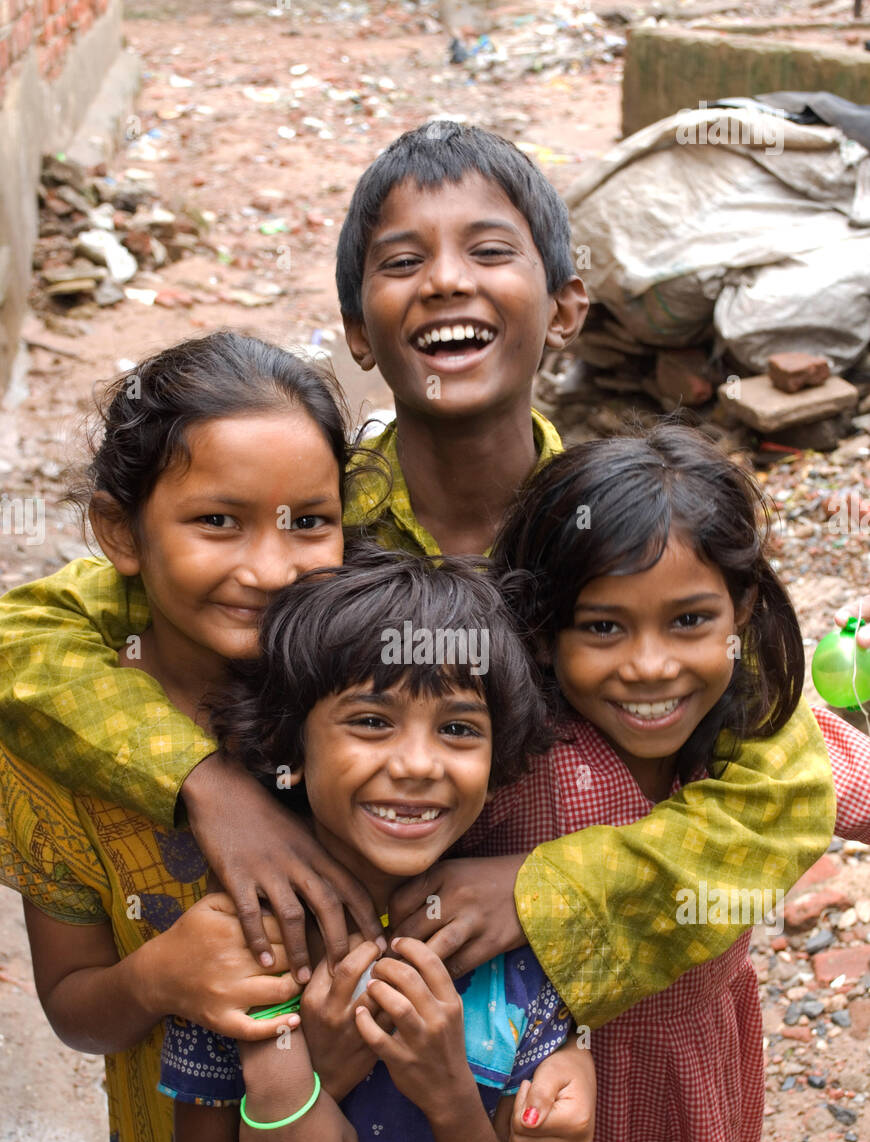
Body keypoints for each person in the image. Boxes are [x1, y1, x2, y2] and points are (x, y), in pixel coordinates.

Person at [0, 124, 835, 1035]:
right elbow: (26, 637)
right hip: (340, 1017)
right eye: (403, 260)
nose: (445, 279)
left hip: (617, 1038)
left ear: (566, 306)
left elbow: (785, 799)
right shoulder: (312, 525)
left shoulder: (628, 535)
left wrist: (544, 888)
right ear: (360, 333)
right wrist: (205, 782)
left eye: (488, 250)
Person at [456, 424, 869, 1142]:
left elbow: (849, 783)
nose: (650, 667)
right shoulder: (514, 764)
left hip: (693, 1078)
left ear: (744, 612)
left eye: (690, 621)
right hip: (531, 1099)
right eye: (602, 626)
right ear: (540, 628)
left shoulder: (756, 729)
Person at [0, 333, 371, 1142]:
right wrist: (161, 976)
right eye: (218, 521)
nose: (270, 567)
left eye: (308, 523)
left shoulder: (378, 707)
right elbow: (76, 1008)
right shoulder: (58, 746)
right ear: (122, 535)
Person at [162, 547, 577, 1142]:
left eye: (458, 729)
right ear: (291, 742)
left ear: (500, 754)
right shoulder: (238, 959)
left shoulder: (515, 958)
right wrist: (303, 1088)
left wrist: (449, 1091)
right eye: (370, 721)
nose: (417, 764)